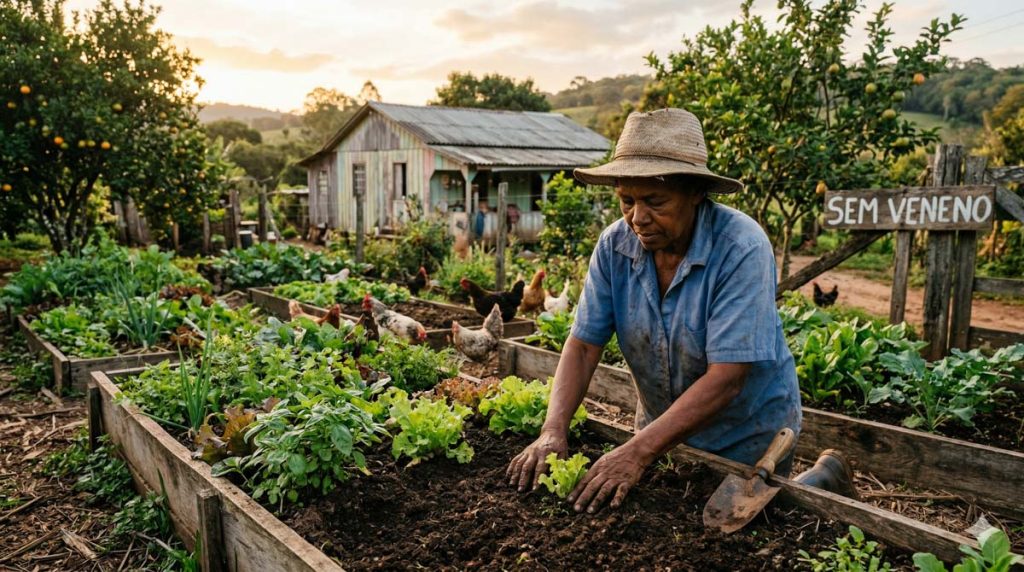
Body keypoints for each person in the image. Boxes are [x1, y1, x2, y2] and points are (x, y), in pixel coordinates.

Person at [506, 108, 856, 514]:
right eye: (626, 201)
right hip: (659, 431)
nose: (637, 217)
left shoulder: (741, 247)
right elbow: (583, 346)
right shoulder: (614, 246)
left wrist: (635, 454)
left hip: (745, 436)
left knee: (759, 520)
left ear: (695, 193)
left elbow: (727, 379)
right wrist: (553, 431)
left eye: (655, 201)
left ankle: (826, 476)